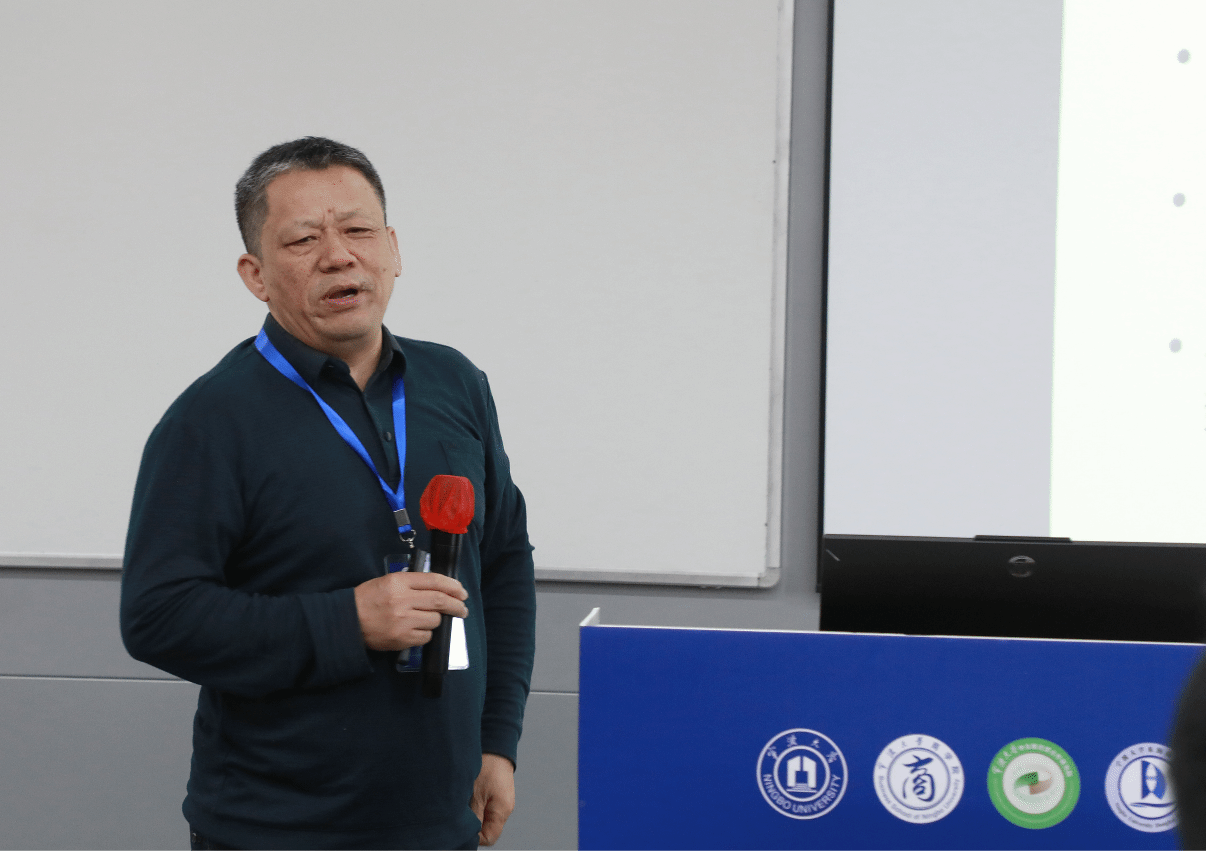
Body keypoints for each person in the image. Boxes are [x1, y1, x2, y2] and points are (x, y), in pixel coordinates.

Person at [120, 137, 536, 851]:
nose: (339, 256)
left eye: (358, 230)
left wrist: (498, 738)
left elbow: (501, 561)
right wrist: (350, 621)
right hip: (275, 829)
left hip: (442, 819)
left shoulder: (456, 383)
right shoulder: (211, 420)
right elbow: (158, 617)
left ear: (394, 248)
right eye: (303, 239)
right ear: (255, 274)